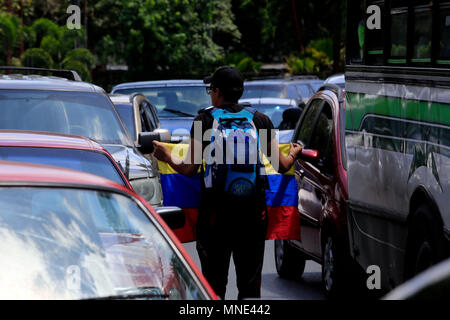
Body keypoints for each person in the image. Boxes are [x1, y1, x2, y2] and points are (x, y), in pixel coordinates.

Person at [153, 66, 302, 300]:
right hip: (253, 217)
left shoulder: (204, 120)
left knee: (213, 287)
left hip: (214, 217)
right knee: (250, 286)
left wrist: (166, 156)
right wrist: (294, 152)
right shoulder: (260, 121)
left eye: (211, 89)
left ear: (216, 91)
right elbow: (282, 166)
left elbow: (189, 169)